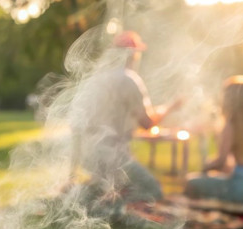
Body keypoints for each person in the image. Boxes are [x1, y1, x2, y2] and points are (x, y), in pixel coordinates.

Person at [69, 30, 182, 203]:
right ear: (133, 54)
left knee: (112, 185)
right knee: (153, 190)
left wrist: (72, 168)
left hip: (89, 156)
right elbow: (148, 123)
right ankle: (105, 202)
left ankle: (91, 194)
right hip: (112, 157)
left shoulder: (96, 79)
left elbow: (77, 126)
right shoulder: (129, 79)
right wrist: (171, 107)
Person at [185, 76, 243, 206]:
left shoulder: (232, 124)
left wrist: (205, 167)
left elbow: (221, 162)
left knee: (192, 182)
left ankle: (191, 216)